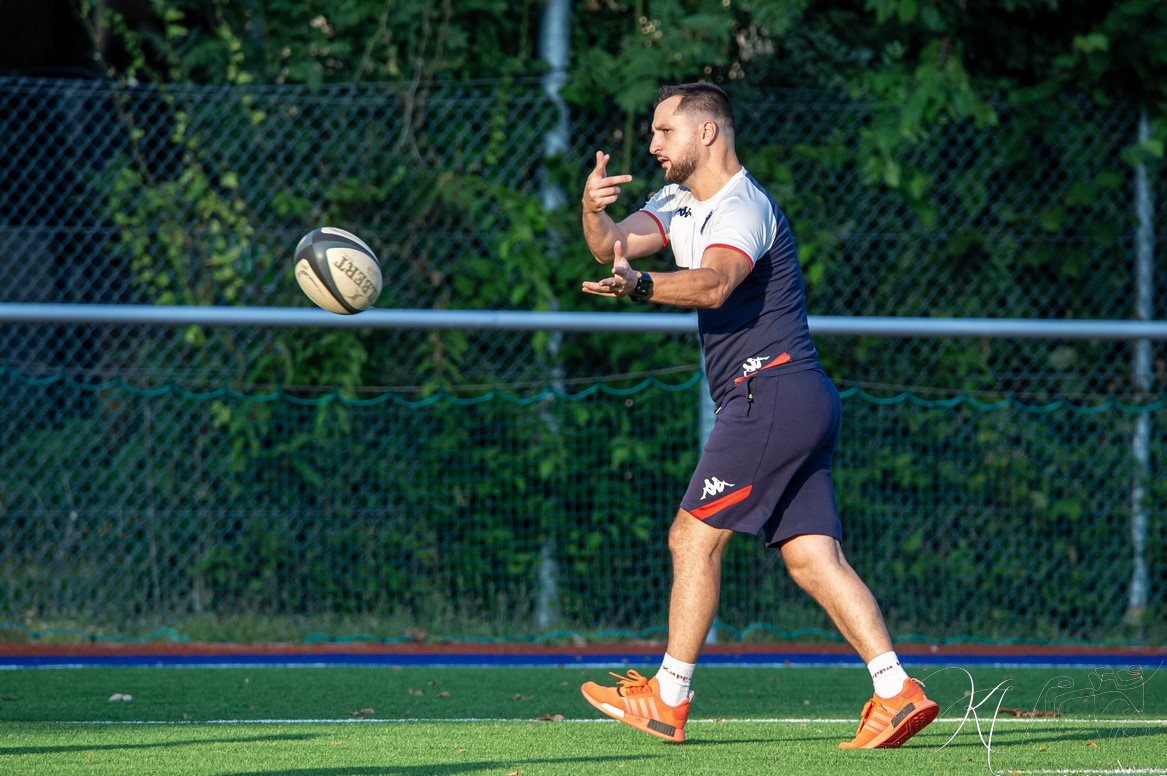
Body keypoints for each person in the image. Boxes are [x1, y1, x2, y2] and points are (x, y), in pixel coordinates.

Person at [577, 82, 938, 749]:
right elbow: (611, 249)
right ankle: (896, 691)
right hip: (796, 397)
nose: (652, 144)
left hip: (766, 392)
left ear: (707, 132)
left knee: (692, 539)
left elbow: (715, 284)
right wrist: (592, 212)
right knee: (811, 558)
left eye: (663, 131)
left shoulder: (742, 205)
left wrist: (643, 285)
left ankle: (668, 697)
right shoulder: (677, 201)